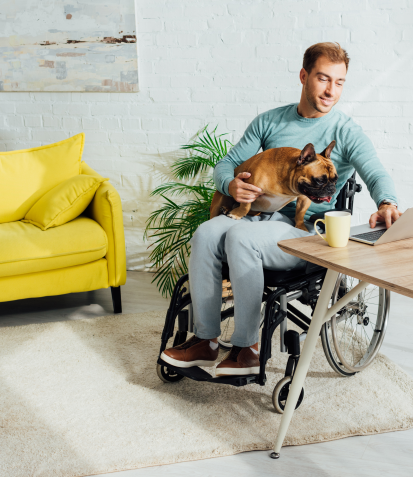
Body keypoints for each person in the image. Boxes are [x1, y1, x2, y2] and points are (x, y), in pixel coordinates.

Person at [160, 42, 400, 377]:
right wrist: (230, 184)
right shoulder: (269, 121)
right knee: (205, 233)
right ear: (304, 76)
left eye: (340, 82)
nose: (331, 90)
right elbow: (226, 163)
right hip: (258, 216)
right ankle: (206, 340)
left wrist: (387, 202)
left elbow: (375, 171)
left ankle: (247, 348)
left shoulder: (346, 131)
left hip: (305, 232)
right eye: (323, 78)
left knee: (241, 237)